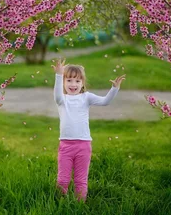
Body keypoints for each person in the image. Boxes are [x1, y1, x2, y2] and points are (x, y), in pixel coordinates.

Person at [51, 58, 126, 202]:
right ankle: (59, 204)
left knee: (81, 180)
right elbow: (57, 94)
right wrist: (59, 75)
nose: (73, 84)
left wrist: (115, 88)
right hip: (66, 146)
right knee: (62, 180)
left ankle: (80, 205)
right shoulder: (62, 99)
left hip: (84, 145)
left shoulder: (86, 97)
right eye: (69, 80)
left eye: (78, 81)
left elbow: (105, 101)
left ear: (82, 83)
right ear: (63, 83)